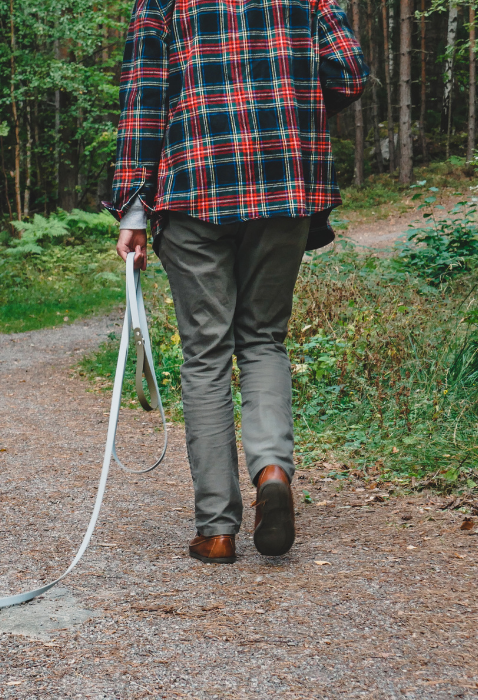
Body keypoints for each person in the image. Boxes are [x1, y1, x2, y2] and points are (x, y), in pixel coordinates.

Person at [108, 0, 369, 563]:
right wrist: (285, 106)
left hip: (194, 183)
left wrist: (132, 208)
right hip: (286, 185)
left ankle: (217, 529)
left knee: (206, 353)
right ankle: (272, 469)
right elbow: (348, 72)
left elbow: (142, 98)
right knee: (263, 338)